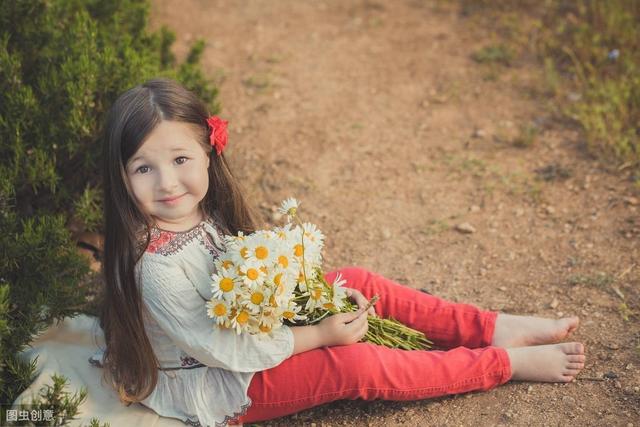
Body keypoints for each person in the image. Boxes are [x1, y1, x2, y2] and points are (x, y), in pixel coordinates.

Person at [97, 77, 585, 427]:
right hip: (226, 381)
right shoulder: (154, 267)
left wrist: (295, 289)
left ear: (209, 153)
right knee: (354, 364)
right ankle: (503, 363)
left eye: (181, 159)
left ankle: (494, 328)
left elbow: (246, 289)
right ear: (122, 175)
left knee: (356, 281)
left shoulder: (203, 214)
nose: (168, 183)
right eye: (144, 168)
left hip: (256, 338)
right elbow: (223, 350)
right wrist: (321, 334)